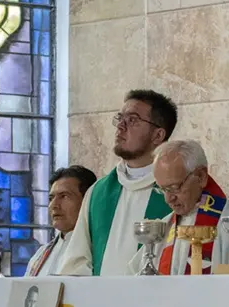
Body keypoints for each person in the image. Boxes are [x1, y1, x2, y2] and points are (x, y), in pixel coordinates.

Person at [56, 90, 176, 276]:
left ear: (158, 135)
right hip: (102, 296)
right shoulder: (98, 192)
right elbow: (76, 261)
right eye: (120, 118)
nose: (120, 126)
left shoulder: (176, 191)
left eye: (132, 120)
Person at [137, 140, 229, 274]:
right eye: (163, 189)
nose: (168, 199)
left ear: (201, 176)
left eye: (174, 187)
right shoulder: (166, 226)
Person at [27, 165, 98, 276]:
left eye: (64, 196)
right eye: (51, 198)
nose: (54, 205)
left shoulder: (100, 249)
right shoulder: (39, 255)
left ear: (87, 201)